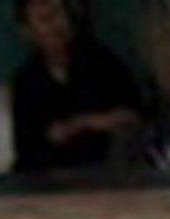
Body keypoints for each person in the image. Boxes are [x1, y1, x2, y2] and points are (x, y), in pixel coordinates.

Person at [9, 0, 144, 174]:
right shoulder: (26, 81)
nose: (55, 26)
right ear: (27, 31)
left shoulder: (102, 61)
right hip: (49, 178)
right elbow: (26, 149)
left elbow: (131, 117)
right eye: (45, 19)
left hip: (104, 171)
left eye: (58, 15)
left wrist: (79, 124)